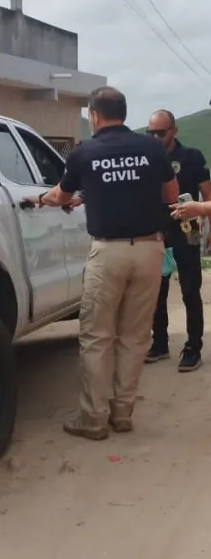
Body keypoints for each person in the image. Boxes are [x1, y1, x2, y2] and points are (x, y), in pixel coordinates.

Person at [25, 87, 178, 440]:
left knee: (96, 336)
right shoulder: (152, 147)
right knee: (135, 335)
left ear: (94, 115)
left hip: (108, 253)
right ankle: (122, 413)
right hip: (149, 250)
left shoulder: (85, 152)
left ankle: (93, 418)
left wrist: (43, 199)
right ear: (124, 113)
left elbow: (61, 196)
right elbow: (170, 196)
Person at [144, 109, 211, 372]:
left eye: (161, 132)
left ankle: (193, 347)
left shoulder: (191, 157)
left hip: (187, 231)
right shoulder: (147, 158)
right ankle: (159, 342)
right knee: (155, 293)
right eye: (151, 132)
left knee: (190, 291)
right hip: (156, 232)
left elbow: (207, 194)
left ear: (174, 131)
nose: (156, 137)